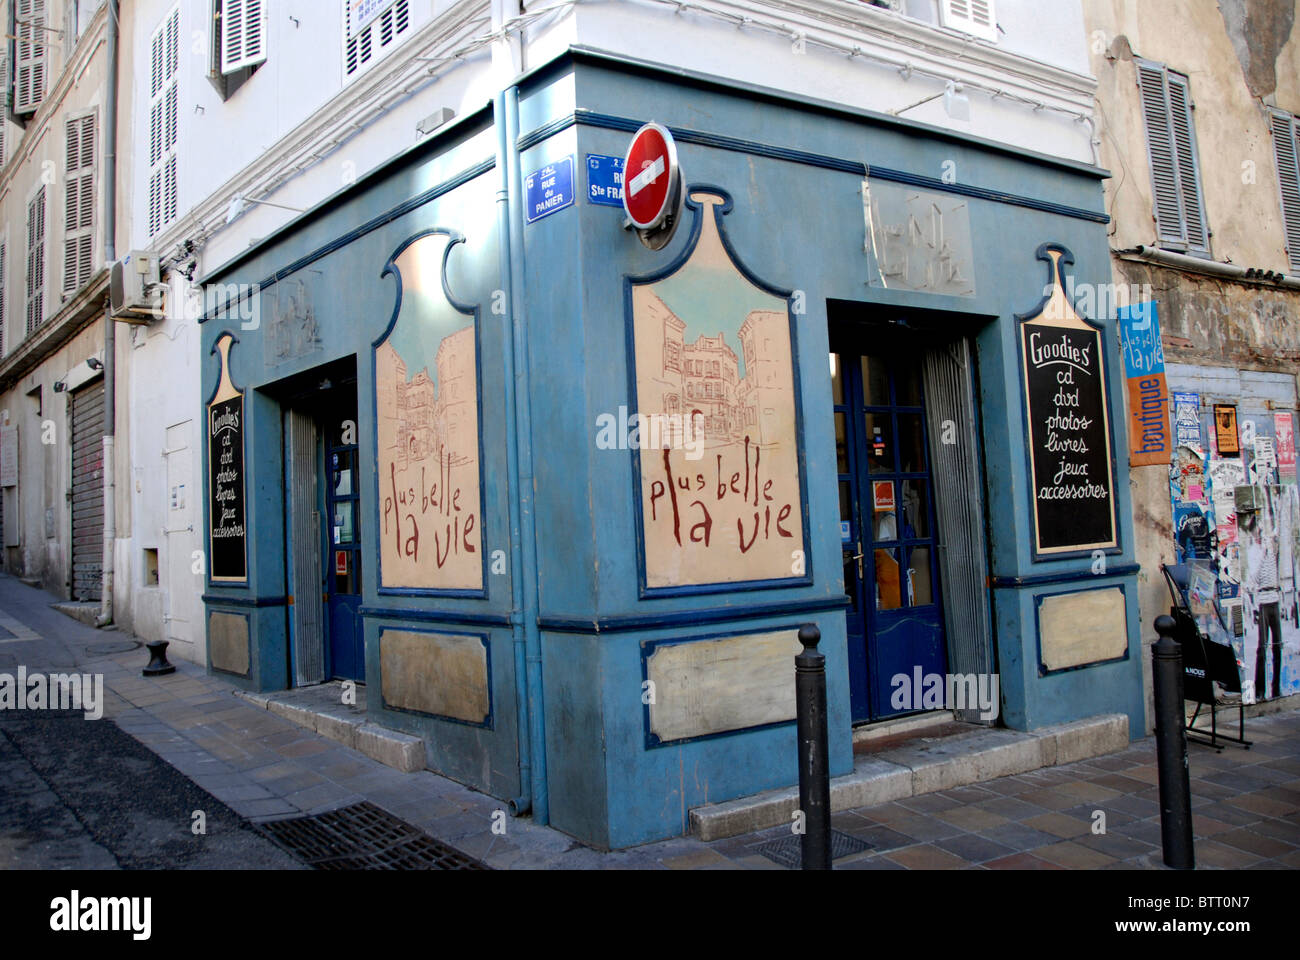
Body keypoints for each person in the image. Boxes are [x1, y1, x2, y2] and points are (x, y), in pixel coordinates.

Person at [1247, 526, 1283, 700]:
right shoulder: (1255, 555)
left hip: (1275, 599)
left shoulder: (1274, 552)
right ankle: (1260, 690)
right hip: (1262, 601)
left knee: (1278, 646)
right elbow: (1253, 579)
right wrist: (1261, 555)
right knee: (1262, 647)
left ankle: (1276, 688)